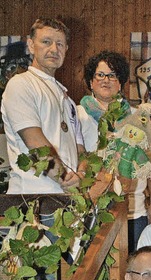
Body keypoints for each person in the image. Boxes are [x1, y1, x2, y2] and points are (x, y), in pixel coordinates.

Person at [78, 50, 151, 250]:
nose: (106, 80)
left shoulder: (139, 117)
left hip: (134, 211)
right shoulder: (77, 115)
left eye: (113, 75)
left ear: (121, 82)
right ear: (91, 81)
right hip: (92, 210)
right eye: (100, 75)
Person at [1, 18, 86, 194]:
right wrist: (65, 181)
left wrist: (82, 174)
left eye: (60, 44)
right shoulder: (21, 84)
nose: (54, 49)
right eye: (46, 42)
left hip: (66, 197)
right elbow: (36, 145)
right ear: (31, 45)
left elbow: (80, 150)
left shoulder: (66, 98)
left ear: (66, 50)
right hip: (34, 198)